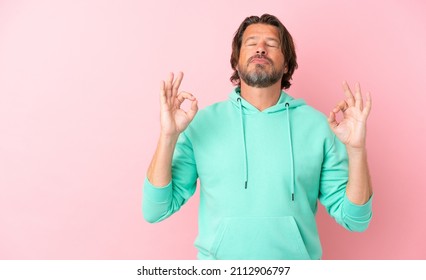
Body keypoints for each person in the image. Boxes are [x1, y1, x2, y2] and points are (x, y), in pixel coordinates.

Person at [143, 14, 373, 260]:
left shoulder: (318, 126)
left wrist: (357, 149)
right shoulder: (201, 123)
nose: (261, 49)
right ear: (237, 60)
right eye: (251, 43)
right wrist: (168, 136)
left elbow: (355, 220)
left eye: (272, 44)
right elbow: (156, 210)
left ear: (286, 65)